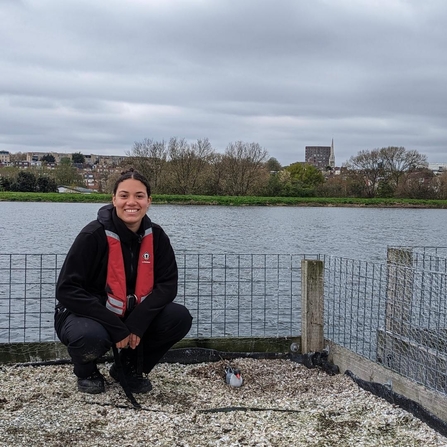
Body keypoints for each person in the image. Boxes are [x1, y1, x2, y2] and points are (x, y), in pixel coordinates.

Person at [54, 168, 192, 395]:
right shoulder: (92, 236)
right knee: (89, 337)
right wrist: (114, 326)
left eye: (139, 196)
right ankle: (86, 370)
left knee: (179, 317)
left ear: (149, 201)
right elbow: (67, 289)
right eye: (124, 195)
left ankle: (127, 367)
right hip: (86, 315)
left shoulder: (157, 237)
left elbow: (167, 285)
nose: (132, 202)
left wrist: (138, 322)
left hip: (132, 312)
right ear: (114, 199)